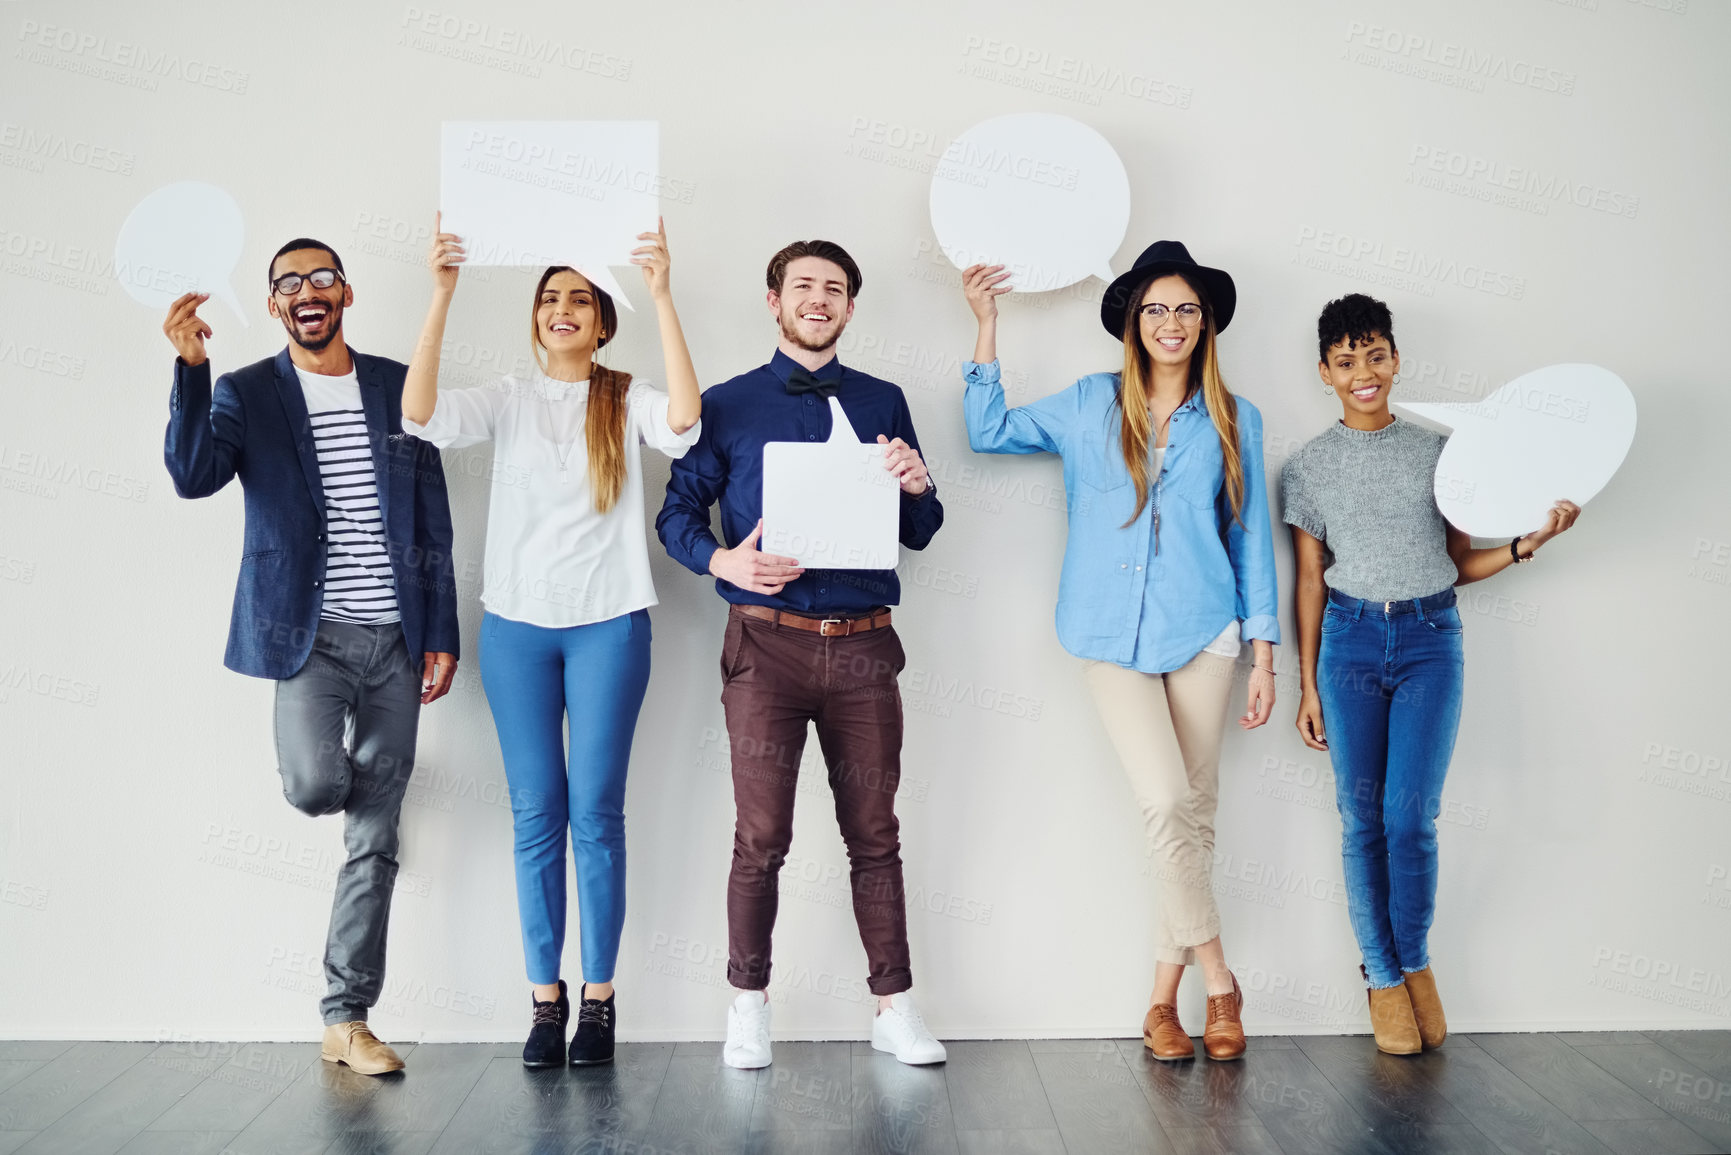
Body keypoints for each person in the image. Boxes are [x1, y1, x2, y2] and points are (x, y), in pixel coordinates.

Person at [957, 240, 1279, 1061]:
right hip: (1106, 632)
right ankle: (1220, 980)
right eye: (1155, 309)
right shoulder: (1085, 403)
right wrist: (986, 325)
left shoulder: (1237, 418)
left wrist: (1265, 653)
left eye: (1185, 309)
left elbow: (1247, 541)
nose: (1170, 322)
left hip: (1205, 631)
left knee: (1193, 819)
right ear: (1132, 324)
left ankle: (1159, 1003)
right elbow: (987, 430)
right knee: (1166, 802)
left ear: (1204, 324)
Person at [401, 217, 701, 1067]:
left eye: (578, 299)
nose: (561, 309)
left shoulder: (627, 396)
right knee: (536, 814)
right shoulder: (507, 396)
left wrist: (664, 293)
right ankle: (544, 1000)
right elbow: (418, 412)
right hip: (517, 632)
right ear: (534, 319)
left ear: (603, 320)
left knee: (595, 814)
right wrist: (443, 291)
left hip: (609, 626)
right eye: (548, 299)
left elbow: (684, 421)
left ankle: (599, 1000)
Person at [161, 239, 461, 1075]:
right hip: (308, 639)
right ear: (274, 306)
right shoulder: (246, 391)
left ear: (346, 294)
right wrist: (190, 369)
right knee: (315, 787)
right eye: (288, 283)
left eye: (321, 278)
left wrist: (441, 631)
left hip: (397, 638)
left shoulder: (398, 386)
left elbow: (432, 516)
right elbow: (192, 476)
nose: (307, 291)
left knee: (374, 840)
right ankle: (381, 786)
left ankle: (347, 1015)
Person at [657, 239, 947, 1069]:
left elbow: (918, 533)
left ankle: (893, 1005)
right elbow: (676, 511)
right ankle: (747, 1004)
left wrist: (917, 486)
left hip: (864, 649)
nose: (817, 299)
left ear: (850, 307)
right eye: (802, 286)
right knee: (760, 836)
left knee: (874, 832)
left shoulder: (885, 399)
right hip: (764, 647)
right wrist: (721, 560)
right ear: (774, 300)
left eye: (834, 289)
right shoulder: (725, 403)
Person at [1282, 293, 1580, 1055]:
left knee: (1409, 821)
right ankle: (1381, 977)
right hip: (1347, 642)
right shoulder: (1308, 467)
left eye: (1374, 355)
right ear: (1324, 371)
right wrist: (1308, 682)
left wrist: (1526, 542)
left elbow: (1456, 563)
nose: (1363, 373)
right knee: (1361, 824)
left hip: (1427, 639)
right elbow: (1310, 580)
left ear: (1395, 359)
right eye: (1345, 361)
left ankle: (1414, 963)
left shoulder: (1439, 454)